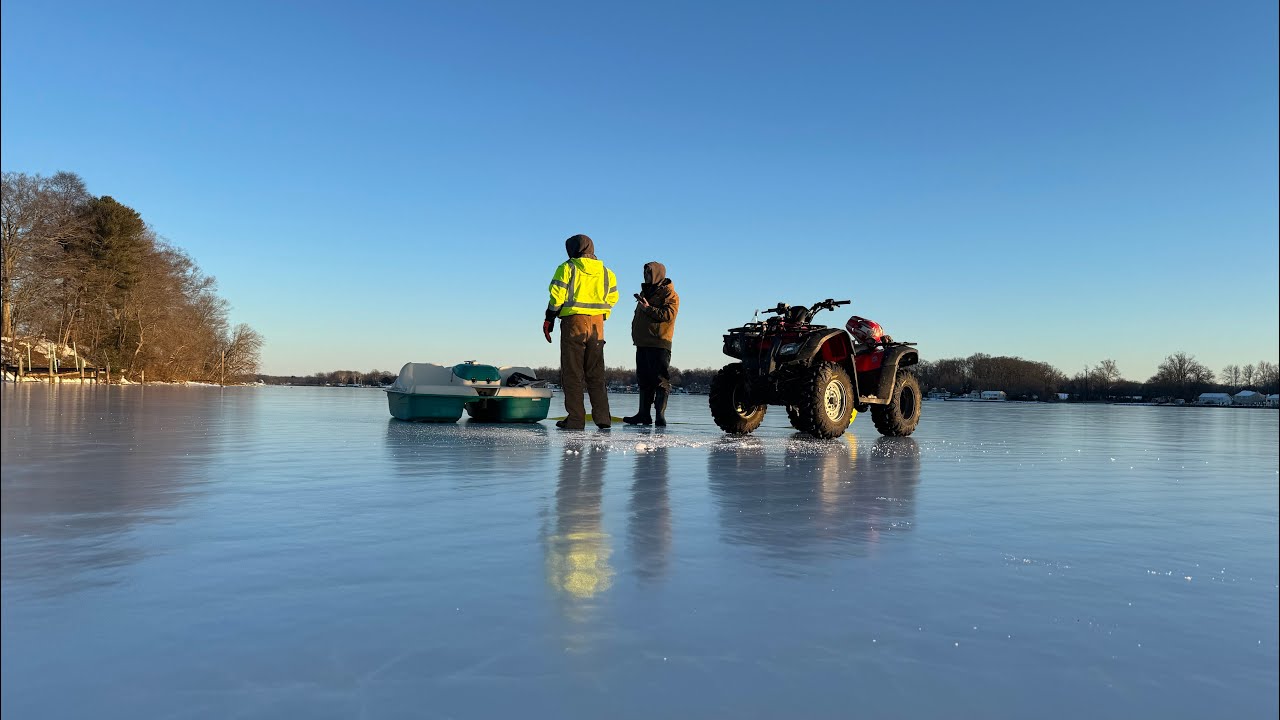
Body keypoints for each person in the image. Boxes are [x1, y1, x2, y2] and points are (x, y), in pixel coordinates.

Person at [543, 234, 618, 430]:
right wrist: (600, 314)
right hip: (597, 325)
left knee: (573, 372)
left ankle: (576, 420)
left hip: (573, 322)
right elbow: (613, 298)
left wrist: (549, 317)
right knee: (596, 372)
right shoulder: (607, 272)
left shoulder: (567, 268)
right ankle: (603, 419)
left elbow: (556, 297)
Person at [623, 261, 679, 426]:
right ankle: (643, 415)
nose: (645, 276)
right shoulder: (646, 292)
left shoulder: (670, 294)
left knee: (659, 379)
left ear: (656, 274)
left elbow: (668, 315)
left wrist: (648, 308)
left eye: (648, 273)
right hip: (642, 343)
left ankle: (660, 416)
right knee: (644, 379)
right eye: (645, 273)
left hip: (659, 343)